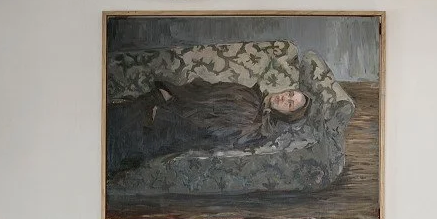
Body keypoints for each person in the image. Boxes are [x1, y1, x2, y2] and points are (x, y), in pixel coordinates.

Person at [107, 76, 311, 172]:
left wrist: (164, 113)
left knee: (122, 133)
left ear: (287, 115)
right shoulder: (251, 94)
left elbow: (210, 132)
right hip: (176, 103)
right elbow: (207, 90)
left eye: (290, 104)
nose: (285, 98)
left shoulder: (256, 126)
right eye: (290, 93)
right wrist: (174, 94)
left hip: (172, 125)